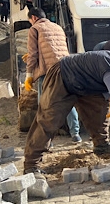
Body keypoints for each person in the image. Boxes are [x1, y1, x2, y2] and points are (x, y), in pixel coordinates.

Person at [23, 51, 110, 176]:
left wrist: (109, 96)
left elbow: (103, 77)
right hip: (63, 76)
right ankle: (31, 164)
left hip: (86, 83)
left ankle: (101, 145)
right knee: (49, 119)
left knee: (99, 108)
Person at [24, 8, 82, 143]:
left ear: (33, 18)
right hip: (66, 68)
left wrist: (29, 75)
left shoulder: (35, 29)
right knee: (68, 101)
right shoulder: (57, 27)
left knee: (44, 105)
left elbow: (33, 54)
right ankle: (76, 134)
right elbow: (55, 48)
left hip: (48, 71)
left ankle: (45, 139)